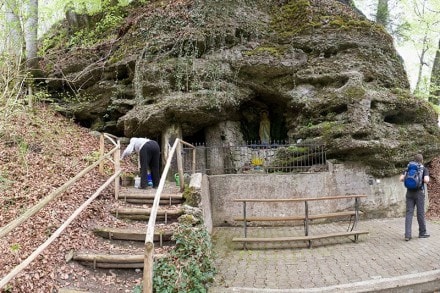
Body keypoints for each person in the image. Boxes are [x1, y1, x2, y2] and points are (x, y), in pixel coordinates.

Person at [399, 154, 430, 241]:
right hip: (419, 193)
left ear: (414, 160)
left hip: (409, 193)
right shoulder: (423, 169)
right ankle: (422, 233)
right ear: (422, 160)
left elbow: (401, 179)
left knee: (409, 213)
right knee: (420, 213)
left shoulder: (408, 168)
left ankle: (407, 235)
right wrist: (421, 180)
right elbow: (427, 180)